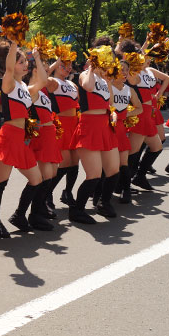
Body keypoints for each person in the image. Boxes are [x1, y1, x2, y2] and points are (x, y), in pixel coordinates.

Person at [0, 39, 47, 237]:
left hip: (20, 140)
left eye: (25, 61)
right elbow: (9, 68)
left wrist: (36, 57)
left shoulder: (25, 89)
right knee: (0, 183)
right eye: (21, 62)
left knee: (36, 180)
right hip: (8, 137)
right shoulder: (8, 83)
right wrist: (14, 46)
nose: (25, 64)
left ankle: (19, 215)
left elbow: (43, 81)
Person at [69, 39, 119, 224]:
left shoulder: (106, 80)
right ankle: (77, 210)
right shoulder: (84, 74)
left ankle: (103, 203)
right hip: (89, 126)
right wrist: (91, 65)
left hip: (105, 126)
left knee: (113, 169)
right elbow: (88, 87)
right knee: (94, 174)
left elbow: (110, 104)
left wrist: (112, 114)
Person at [119, 39, 169, 190]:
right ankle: (123, 185)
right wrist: (147, 44)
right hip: (139, 115)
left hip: (148, 114)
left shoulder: (147, 71)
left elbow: (142, 55)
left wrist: (150, 44)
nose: (144, 58)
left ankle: (139, 176)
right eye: (140, 55)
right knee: (132, 155)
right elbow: (132, 58)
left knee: (157, 147)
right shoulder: (133, 73)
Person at [22, 58, 62, 230]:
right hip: (41, 136)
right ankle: (33, 214)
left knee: (51, 174)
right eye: (43, 69)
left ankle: (39, 209)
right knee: (43, 177)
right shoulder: (30, 89)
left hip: (49, 134)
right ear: (35, 70)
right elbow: (44, 80)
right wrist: (38, 58)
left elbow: (48, 81)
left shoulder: (43, 91)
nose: (47, 71)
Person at [45, 57, 80, 210]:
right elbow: (43, 75)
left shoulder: (72, 84)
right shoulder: (52, 80)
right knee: (64, 163)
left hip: (74, 124)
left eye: (69, 66)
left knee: (74, 163)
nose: (67, 68)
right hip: (61, 124)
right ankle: (46, 194)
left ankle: (68, 192)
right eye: (63, 65)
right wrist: (56, 62)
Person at [110, 60, 142, 203]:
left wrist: (125, 114)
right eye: (121, 69)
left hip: (121, 128)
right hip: (108, 127)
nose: (124, 72)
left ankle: (126, 189)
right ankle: (104, 190)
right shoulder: (108, 86)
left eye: (126, 70)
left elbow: (139, 108)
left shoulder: (130, 90)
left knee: (123, 162)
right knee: (110, 163)